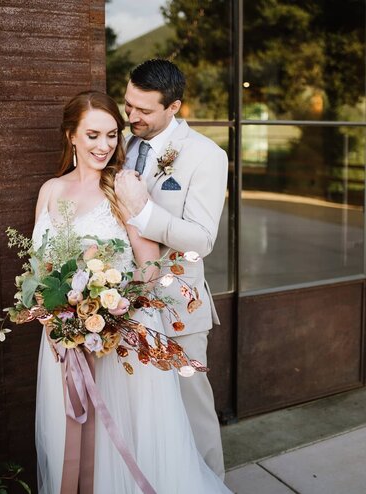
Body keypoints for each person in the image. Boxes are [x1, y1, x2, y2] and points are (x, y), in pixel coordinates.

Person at [32, 90, 232, 493]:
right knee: (70, 432)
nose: (104, 146)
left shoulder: (122, 188)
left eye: (111, 135)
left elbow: (149, 268)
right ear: (70, 135)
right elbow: (39, 269)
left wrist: (110, 311)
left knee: (126, 438)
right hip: (62, 343)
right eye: (92, 135)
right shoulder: (50, 190)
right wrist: (51, 311)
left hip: (120, 338)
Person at [115, 59, 228, 479]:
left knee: (192, 406)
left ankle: (212, 484)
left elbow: (202, 239)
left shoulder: (206, 156)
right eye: (128, 105)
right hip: (125, 304)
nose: (132, 118)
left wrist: (144, 213)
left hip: (180, 305)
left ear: (174, 106)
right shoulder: (123, 143)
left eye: (144, 110)